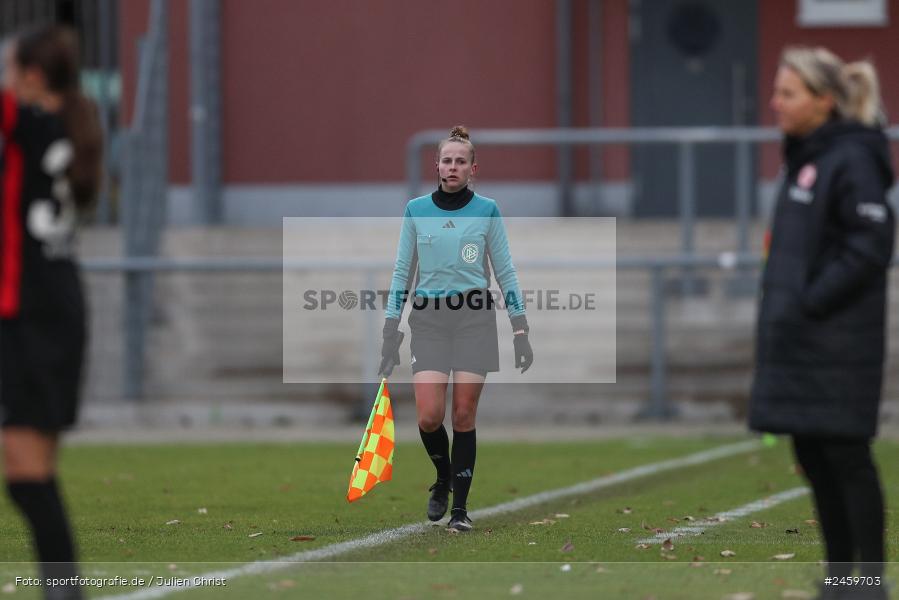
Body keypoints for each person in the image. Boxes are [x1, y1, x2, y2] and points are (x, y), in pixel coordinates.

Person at [749, 46, 893, 600]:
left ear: (823, 101)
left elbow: (870, 244)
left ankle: (869, 585)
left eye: (787, 93)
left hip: (837, 340)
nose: (775, 102)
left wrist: (809, 301)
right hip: (801, 339)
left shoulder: (852, 158)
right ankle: (840, 582)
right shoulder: (806, 156)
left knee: (846, 458)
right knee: (814, 456)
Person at [380, 125, 532, 532]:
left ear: (472, 168)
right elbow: (401, 272)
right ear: (437, 166)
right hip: (429, 319)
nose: (452, 166)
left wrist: (520, 328)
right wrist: (390, 328)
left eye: (460, 161)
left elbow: (505, 270)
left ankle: (460, 511)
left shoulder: (487, 210)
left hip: (473, 318)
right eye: (446, 160)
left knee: (463, 414)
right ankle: (443, 477)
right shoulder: (416, 210)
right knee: (430, 417)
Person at [1, 25, 102, 600]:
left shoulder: (33, 123)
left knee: (26, 476)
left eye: (11, 71)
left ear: (32, 79)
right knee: (32, 473)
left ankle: (66, 591)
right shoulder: (74, 122)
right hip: (55, 306)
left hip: (33, 314)